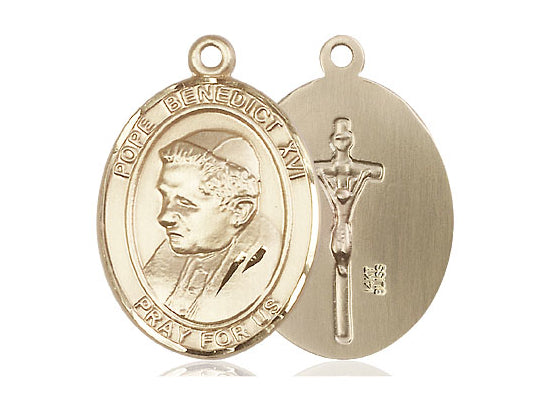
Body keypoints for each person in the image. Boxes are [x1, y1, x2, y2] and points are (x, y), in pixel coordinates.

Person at [143, 130, 275, 321]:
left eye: (185, 203)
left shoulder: (267, 266)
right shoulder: (164, 260)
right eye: (166, 198)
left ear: (240, 211)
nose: (164, 217)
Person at [315, 118, 384, 343]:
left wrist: (363, 175)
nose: (342, 141)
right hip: (338, 230)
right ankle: (341, 331)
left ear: (351, 140)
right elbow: (317, 175)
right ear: (333, 142)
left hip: (345, 229)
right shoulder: (326, 173)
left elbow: (372, 173)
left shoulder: (358, 175)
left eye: (345, 137)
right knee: (340, 260)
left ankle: (343, 331)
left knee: (343, 261)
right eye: (338, 137)